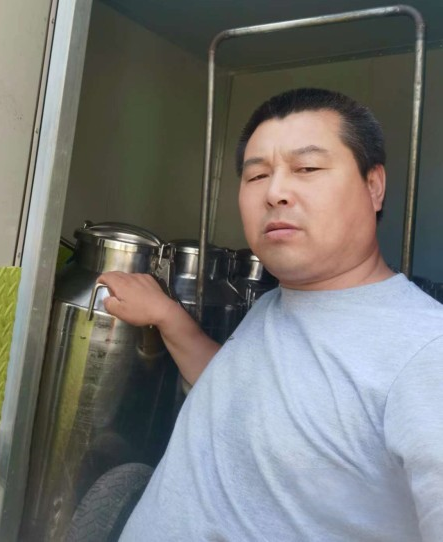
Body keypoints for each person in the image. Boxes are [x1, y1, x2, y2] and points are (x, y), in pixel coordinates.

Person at [97, 88, 443, 541]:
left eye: (307, 168)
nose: (275, 192)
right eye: (257, 175)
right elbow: (232, 392)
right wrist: (166, 314)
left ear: (373, 186)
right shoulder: (278, 302)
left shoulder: (425, 353)